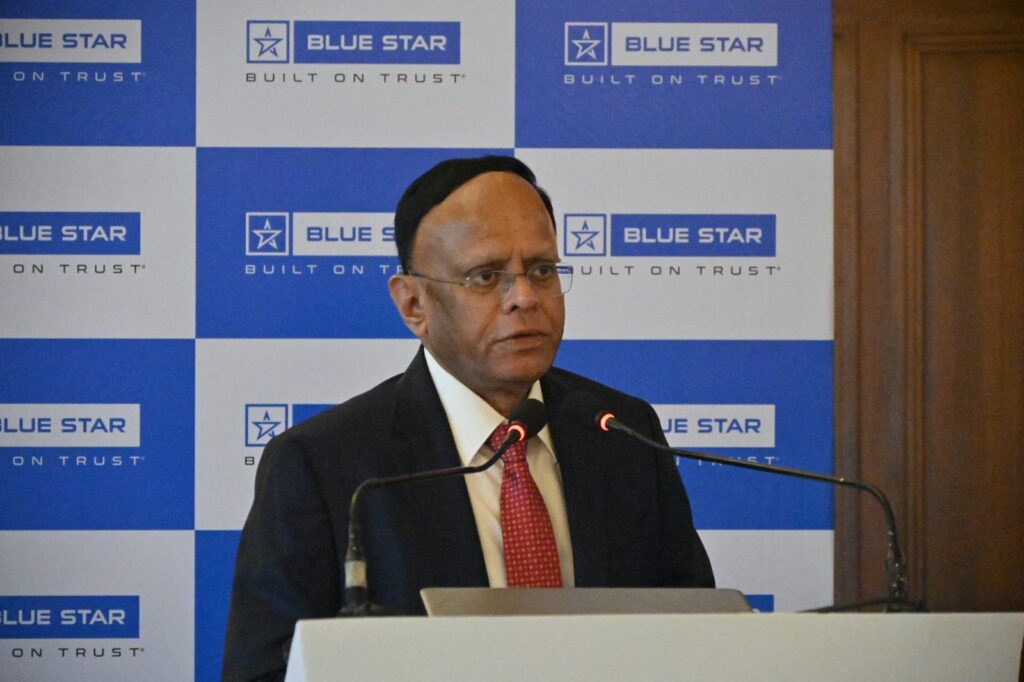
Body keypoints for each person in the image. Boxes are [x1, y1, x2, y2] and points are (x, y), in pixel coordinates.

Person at [222, 155, 714, 681]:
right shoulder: (324, 466)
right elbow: (264, 673)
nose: (524, 298)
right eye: (486, 276)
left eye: (542, 270)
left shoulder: (623, 432)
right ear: (414, 304)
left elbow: (698, 636)